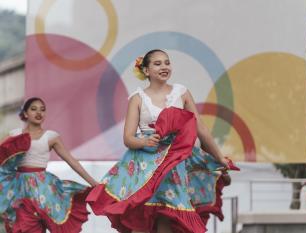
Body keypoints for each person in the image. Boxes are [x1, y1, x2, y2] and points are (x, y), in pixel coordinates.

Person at [87, 49, 238, 233]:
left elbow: (201, 129)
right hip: (145, 167)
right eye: (157, 64)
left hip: (174, 165)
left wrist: (219, 157)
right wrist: (144, 141)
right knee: (141, 216)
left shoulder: (181, 93)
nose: (164, 67)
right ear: (146, 70)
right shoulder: (137, 98)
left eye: (167, 62)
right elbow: (128, 138)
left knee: (167, 216)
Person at [0, 97, 98, 233]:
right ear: (25, 114)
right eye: (34, 109)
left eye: (42, 110)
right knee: (25, 227)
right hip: (21, 189)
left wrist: (93, 183)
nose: (39, 113)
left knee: (46, 226)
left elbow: (71, 161)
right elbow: (3, 158)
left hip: (45, 190)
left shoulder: (51, 136)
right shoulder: (15, 135)